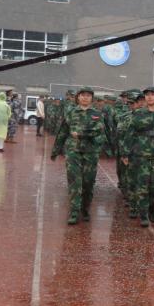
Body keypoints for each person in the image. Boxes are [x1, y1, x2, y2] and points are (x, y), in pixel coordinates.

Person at [51, 88, 106, 223]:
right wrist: (55, 150)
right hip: (73, 151)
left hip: (91, 152)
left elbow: (99, 131)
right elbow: (63, 132)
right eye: (83, 95)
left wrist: (81, 133)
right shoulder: (71, 113)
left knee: (88, 182)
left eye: (88, 96)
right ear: (78, 98)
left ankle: (85, 208)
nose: (85, 98)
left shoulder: (97, 114)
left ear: (92, 98)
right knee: (74, 181)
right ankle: (74, 211)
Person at [120, 87, 154, 227]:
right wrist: (125, 153)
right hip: (141, 155)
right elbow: (130, 133)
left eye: (153, 94)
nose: (149, 97)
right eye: (147, 95)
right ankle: (143, 215)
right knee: (142, 186)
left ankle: (151, 206)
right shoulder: (138, 114)